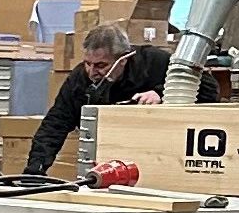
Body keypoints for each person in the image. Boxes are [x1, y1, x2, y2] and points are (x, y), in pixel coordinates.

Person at [23, 21, 167, 179]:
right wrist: (34, 170)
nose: (91, 72)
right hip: (106, 159)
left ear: (123, 59)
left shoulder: (154, 62)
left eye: (101, 65)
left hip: (156, 155)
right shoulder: (79, 80)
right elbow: (55, 124)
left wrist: (161, 93)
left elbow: (190, 84)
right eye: (87, 63)